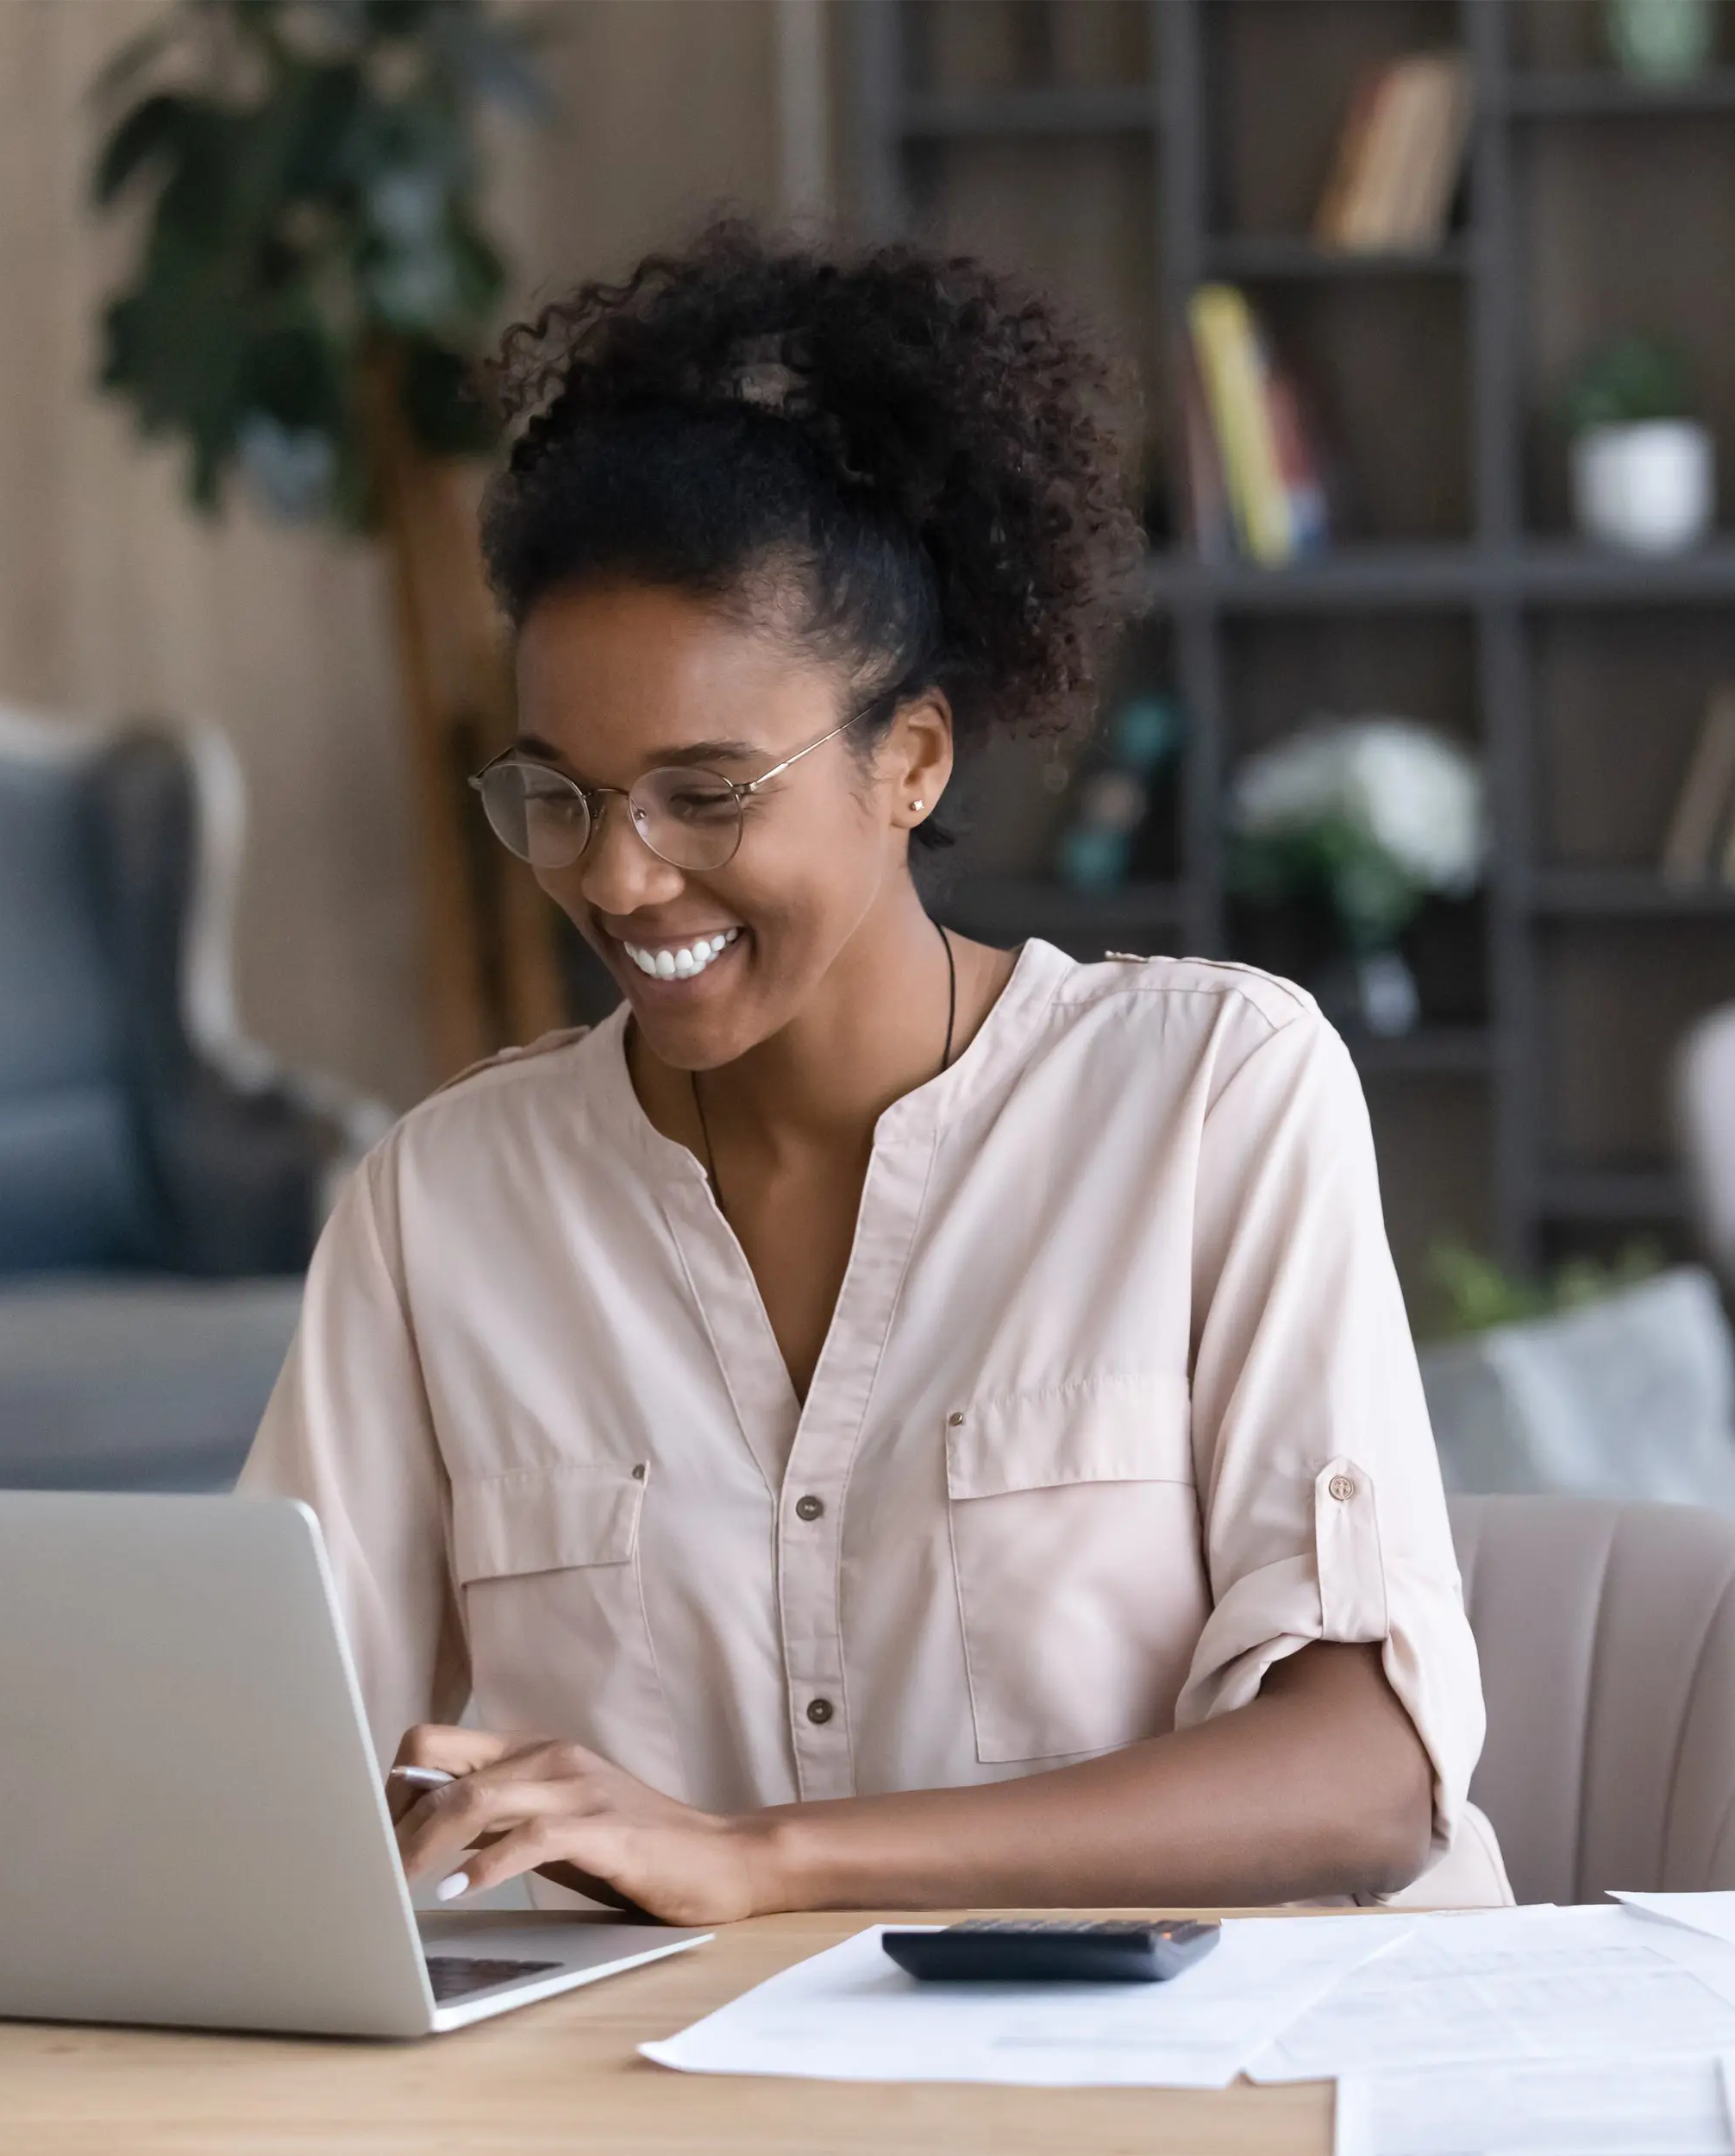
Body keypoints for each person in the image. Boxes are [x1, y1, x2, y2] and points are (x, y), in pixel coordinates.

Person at [241, 222, 1510, 1922]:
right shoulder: (444, 1202)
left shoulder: (1212, 1094)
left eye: (704, 791)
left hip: (1218, 2077)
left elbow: (1367, 1776)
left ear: (908, 757)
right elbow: (268, 1761)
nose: (618, 876)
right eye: (559, 792)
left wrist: (755, 1859)